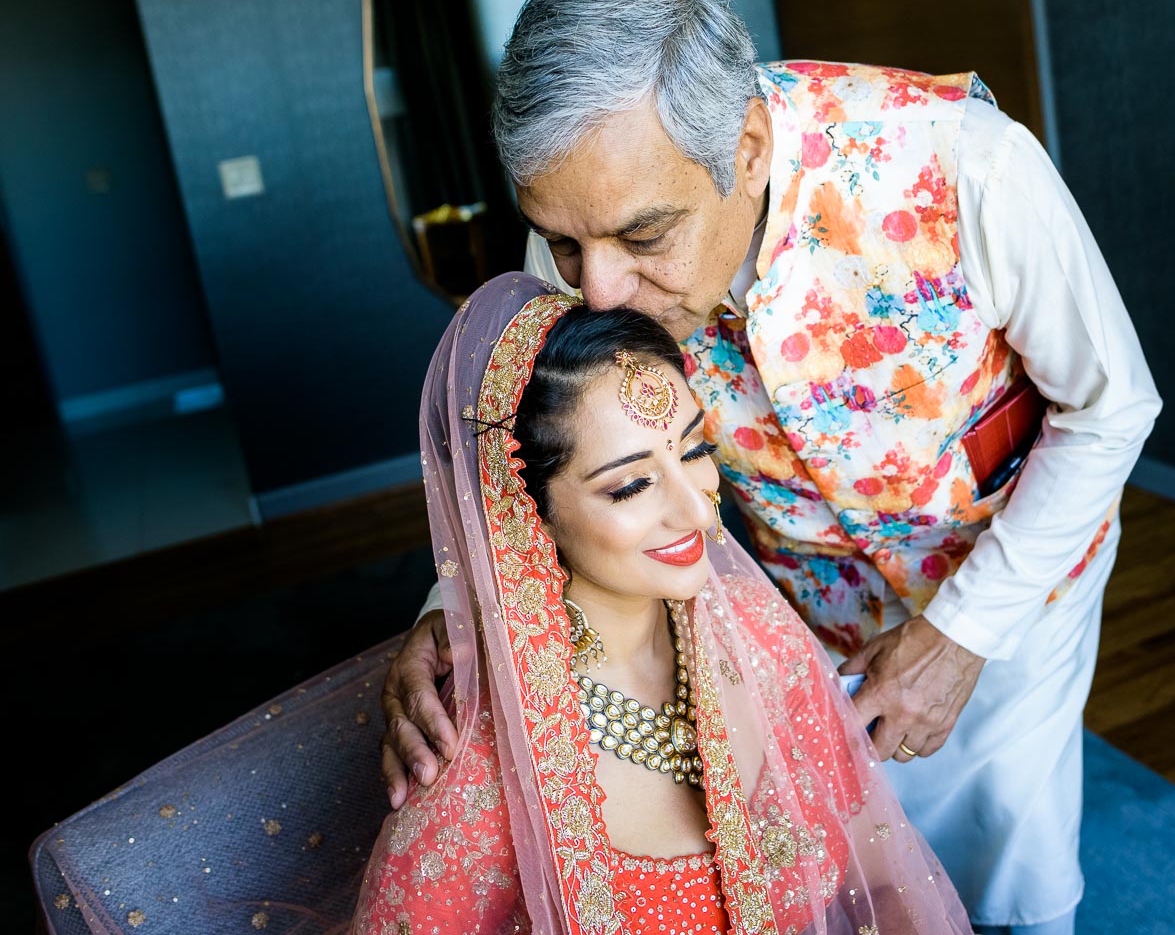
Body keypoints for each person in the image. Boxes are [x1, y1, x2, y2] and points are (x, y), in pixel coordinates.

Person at [381, 0, 1162, 934]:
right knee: (838, 856)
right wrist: (449, 605)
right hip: (801, 606)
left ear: (747, 146)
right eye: (566, 244)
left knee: (1016, 843)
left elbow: (1111, 405)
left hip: (1011, 571)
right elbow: (530, 453)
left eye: (642, 235)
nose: (600, 291)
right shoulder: (584, 247)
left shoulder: (969, 166)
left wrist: (962, 631)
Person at [356, 272, 972, 934]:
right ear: (525, 509)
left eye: (696, 448)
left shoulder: (758, 634)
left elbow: (880, 876)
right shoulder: (475, 769)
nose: (695, 506)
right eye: (631, 485)